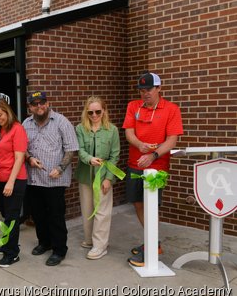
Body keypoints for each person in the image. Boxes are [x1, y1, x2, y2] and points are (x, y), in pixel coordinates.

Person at [123, 72, 183, 267]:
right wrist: (140, 145)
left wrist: (153, 155)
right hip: (135, 164)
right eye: (141, 90)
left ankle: (152, 250)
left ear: (158, 88)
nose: (145, 93)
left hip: (157, 167)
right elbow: (129, 132)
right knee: (138, 204)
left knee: (151, 206)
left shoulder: (171, 109)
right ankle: (153, 243)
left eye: (148, 89)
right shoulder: (133, 106)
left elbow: (172, 139)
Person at [23, 91, 79, 266]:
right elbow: (21, 148)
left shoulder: (61, 122)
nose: (39, 106)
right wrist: (29, 158)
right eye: (35, 104)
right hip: (34, 179)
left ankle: (59, 249)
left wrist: (60, 168)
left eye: (42, 103)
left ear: (47, 104)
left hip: (55, 180)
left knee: (55, 216)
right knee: (38, 215)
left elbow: (71, 149)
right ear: (30, 107)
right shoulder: (26, 123)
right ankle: (44, 243)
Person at [75, 96, 120, 260]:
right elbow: (79, 150)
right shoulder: (80, 128)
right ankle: (89, 240)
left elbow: (115, 156)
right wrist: (89, 159)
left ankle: (100, 246)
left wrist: (108, 178)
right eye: (90, 112)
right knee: (87, 209)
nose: (94, 115)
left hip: (103, 175)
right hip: (85, 175)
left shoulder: (112, 130)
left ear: (104, 111)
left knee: (102, 211)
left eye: (98, 112)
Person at [0, 98, 28, 268]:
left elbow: (19, 158)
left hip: (15, 180)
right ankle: (7, 244)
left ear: (7, 112)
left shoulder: (17, 129)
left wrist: (10, 182)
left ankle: (12, 253)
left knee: (11, 218)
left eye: (0, 115)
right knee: (5, 215)